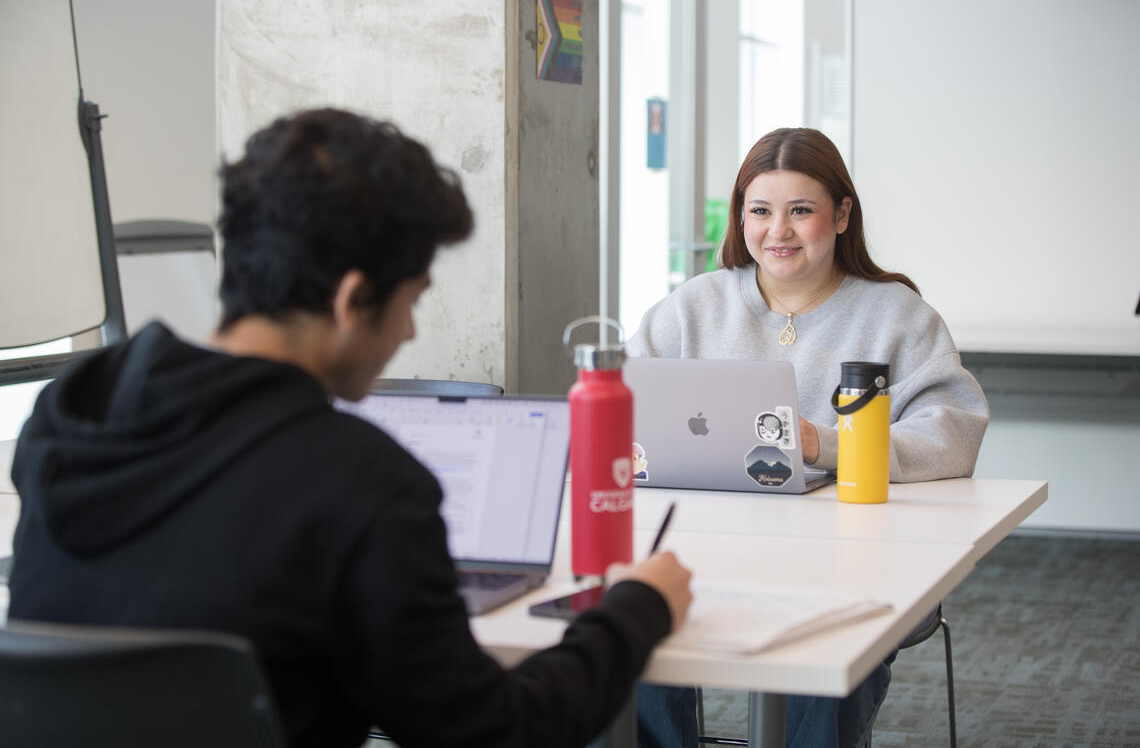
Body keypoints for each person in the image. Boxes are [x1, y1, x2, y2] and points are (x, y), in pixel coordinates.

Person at [8, 108, 693, 748]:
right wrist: (635, 609)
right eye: (411, 301)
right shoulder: (361, 481)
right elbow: (496, 733)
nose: (411, 330)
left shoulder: (76, 407)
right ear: (352, 298)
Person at [630, 127, 989, 748]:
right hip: (707, 552)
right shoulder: (692, 307)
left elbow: (952, 433)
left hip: (854, 565)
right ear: (740, 216)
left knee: (826, 654)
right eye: (760, 211)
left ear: (843, 214)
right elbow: (623, 410)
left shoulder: (897, 315)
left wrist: (822, 444)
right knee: (628, 629)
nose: (779, 231)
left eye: (801, 211)